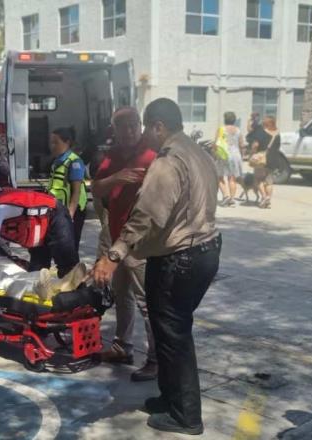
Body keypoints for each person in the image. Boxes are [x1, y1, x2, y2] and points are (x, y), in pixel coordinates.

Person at [93, 98, 221, 436]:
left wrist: (114, 254)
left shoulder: (167, 163)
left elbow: (146, 217)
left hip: (180, 257)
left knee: (174, 335)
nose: (142, 134)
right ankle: (170, 398)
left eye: (146, 127)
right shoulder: (199, 153)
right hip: (204, 250)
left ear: (157, 127)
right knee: (171, 333)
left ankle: (186, 414)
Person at [92, 107, 159, 382]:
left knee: (147, 301)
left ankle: (155, 359)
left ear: (141, 126)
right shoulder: (114, 155)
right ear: (115, 130)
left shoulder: (153, 154)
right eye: (124, 127)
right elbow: (95, 188)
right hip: (117, 238)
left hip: (142, 241)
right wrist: (116, 178)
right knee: (121, 294)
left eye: (134, 125)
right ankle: (122, 346)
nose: (130, 131)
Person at [0, 188, 80, 278]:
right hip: (40, 225)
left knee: (68, 268)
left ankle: (79, 304)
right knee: (37, 274)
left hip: (53, 216)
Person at [48, 127, 88, 251]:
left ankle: (73, 270)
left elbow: (76, 192)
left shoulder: (74, 162)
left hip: (72, 211)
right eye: (51, 142)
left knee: (70, 247)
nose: (52, 146)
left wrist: (70, 214)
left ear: (67, 143)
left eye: (56, 142)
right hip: (59, 209)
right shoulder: (57, 161)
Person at [215, 112, 245, 207]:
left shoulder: (221, 129)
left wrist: (214, 154)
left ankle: (225, 195)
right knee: (232, 178)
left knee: (219, 176)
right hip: (235, 155)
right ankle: (232, 199)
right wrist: (242, 156)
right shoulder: (238, 130)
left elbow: (216, 143)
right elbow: (242, 145)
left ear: (225, 119)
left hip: (224, 154)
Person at [250, 115, 281, 209]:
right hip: (273, 159)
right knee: (269, 181)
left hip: (261, 159)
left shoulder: (261, 132)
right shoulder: (277, 133)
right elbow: (278, 147)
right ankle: (268, 200)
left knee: (258, 179)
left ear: (265, 123)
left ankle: (264, 197)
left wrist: (253, 153)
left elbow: (255, 145)